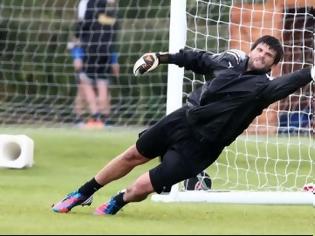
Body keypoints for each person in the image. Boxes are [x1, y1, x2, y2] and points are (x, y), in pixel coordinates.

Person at [52, 35, 314, 215]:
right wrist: (160, 57)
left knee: (140, 188)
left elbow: (289, 83)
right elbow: (196, 59)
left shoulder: (264, 89)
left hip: (202, 147)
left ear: (273, 64)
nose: (262, 56)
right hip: (181, 120)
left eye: (269, 55)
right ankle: (83, 193)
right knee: (132, 154)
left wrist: (311, 72)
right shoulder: (229, 62)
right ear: (252, 49)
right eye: (260, 50)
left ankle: (119, 200)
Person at [74, 0, 120, 128]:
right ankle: (105, 120)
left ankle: (95, 117)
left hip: (90, 53)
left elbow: (79, 33)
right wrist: (114, 60)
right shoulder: (113, 15)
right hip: (106, 54)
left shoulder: (90, 7)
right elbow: (113, 41)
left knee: (86, 84)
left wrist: (77, 55)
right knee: (102, 85)